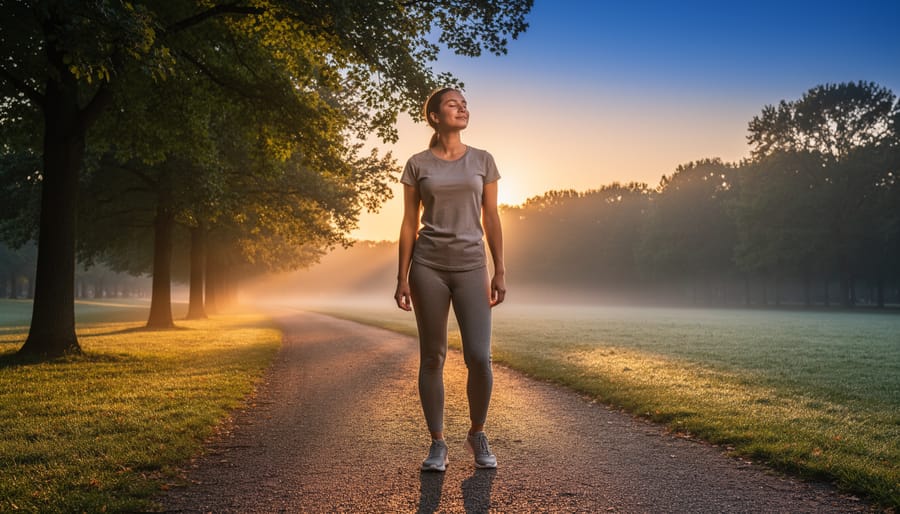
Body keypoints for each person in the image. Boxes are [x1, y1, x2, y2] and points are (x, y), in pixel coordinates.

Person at [394, 87, 506, 472]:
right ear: (435, 117)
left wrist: (500, 268)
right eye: (453, 104)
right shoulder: (417, 164)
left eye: (465, 103)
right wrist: (402, 276)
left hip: (473, 266)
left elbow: (491, 217)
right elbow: (410, 223)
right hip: (428, 267)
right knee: (433, 357)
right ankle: (437, 443)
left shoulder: (483, 160)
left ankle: (477, 433)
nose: (462, 108)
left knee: (479, 356)